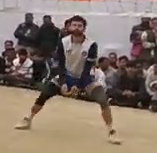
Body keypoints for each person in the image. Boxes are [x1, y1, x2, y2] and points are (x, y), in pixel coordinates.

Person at [14, 15, 121, 145]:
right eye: (74, 25)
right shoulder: (63, 42)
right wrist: (63, 83)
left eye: (79, 26)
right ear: (69, 26)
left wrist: (79, 86)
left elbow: (87, 69)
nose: (76, 28)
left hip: (85, 77)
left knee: (103, 100)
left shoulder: (91, 45)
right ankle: (28, 119)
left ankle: (111, 131)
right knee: (45, 93)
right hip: (67, 75)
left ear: (84, 28)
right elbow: (60, 65)